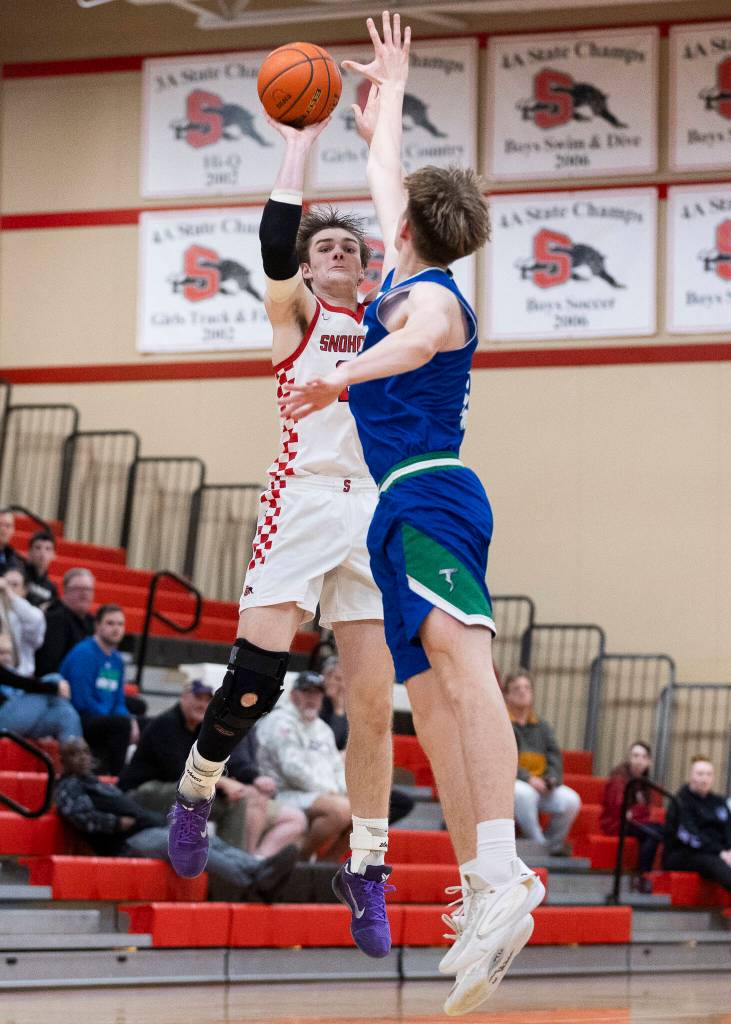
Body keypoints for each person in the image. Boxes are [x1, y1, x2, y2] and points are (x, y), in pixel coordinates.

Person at [281, 13, 545, 1013]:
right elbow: (386, 167)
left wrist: (342, 376)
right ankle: (482, 884)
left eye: (390, 212)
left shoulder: (428, 298)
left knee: (464, 670)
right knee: (425, 695)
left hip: (434, 487)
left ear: (401, 237)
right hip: (392, 512)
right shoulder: (403, 261)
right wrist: (386, 92)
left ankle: (506, 865)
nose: (380, 211)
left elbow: (418, 341)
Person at [167, 71, 397, 961]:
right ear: (308, 266)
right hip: (299, 504)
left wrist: (382, 144)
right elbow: (272, 245)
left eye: (352, 245)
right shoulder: (293, 315)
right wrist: (299, 142)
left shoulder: (390, 323)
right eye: (325, 245)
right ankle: (196, 787)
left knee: (372, 709)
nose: (339, 251)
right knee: (257, 682)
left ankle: (367, 873)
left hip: (370, 515)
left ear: (369, 265)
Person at [55, 738, 299, 901]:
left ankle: (255, 866)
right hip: (125, 842)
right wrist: (118, 824)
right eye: (75, 754)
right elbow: (82, 817)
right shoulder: (68, 787)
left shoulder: (94, 782)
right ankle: (249, 879)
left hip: (145, 829)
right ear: (62, 760)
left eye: (85, 751)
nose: (83, 757)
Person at [120, 679, 306, 857]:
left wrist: (238, 783)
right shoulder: (166, 723)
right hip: (139, 793)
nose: (202, 704)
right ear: (184, 697)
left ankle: (237, 861)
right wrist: (222, 782)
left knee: (237, 801)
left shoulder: (202, 728)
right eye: (197, 698)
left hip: (175, 789)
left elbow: (224, 762)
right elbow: (177, 771)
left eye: (207, 700)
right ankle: (237, 861)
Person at [255, 671, 352, 861]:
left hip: (317, 794)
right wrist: (331, 792)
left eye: (317, 694)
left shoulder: (323, 729)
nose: (312, 698)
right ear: (293, 695)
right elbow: (292, 770)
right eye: (307, 692)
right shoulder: (279, 722)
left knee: (365, 816)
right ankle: (301, 860)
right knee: (340, 810)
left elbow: (337, 766)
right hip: (281, 793)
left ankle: (325, 866)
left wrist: (341, 790)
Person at [503, 670, 581, 857]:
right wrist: (528, 778)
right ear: (506, 694)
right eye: (517, 688)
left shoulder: (542, 725)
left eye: (527, 688)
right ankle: (538, 844)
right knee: (525, 794)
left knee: (571, 800)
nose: (523, 692)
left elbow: (554, 756)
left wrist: (551, 780)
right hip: (510, 783)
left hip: (541, 783)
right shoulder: (501, 722)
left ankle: (552, 844)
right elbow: (502, 761)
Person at [60, 604, 138, 775]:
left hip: (102, 716)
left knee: (141, 721)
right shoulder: (84, 653)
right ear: (97, 626)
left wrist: (130, 719)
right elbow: (82, 700)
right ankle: (118, 779)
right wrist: (117, 718)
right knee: (120, 725)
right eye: (110, 623)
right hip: (81, 717)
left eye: (120, 624)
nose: (116, 629)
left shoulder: (117, 659)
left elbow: (119, 700)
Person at [600, 741, 664, 892]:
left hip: (634, 823)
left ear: (649, 762)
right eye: (635, 755)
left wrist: (635, 811)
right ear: (629, 758)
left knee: (661, 830)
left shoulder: (644, 781)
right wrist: (636, 811)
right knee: (654, 833)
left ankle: (646, 875)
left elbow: (643, 812)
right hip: (615, 823)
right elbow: (620, 811)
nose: (639, 760)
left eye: (643, 757)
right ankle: (642, 876)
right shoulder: (619, 777)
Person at [663, 756, 731, 892]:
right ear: (691, 776)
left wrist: (729, 850)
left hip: (717, 852)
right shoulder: (680, 801)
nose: (704, 778)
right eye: (700, 774)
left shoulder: (718, 801)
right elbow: (689, 836)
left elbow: (728, 828)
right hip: (684, 853)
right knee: (715, 863)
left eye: (708, 774)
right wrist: (720, 852)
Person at [0, 632, 82, 742]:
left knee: (65, 715)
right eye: (0, 652)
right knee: (54, 679)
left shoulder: (11, 670)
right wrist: (54, 688)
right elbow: (21, 683)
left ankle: (76, 755)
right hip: (3, 721)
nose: (4, 657)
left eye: (6, 653)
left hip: (17, 718)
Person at [34, 567, 95, 677]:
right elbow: (49, 667)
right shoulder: (55, 618)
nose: (85, 594)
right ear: (65, 590)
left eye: (89, 589)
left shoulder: (92, 621)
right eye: (79, 589)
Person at [0, 568, 46, 676]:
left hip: (23, 678)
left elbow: (35, 621)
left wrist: (9, 593)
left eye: (15, 585)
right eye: (6, 584)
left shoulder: (33, 613)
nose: (8, 588)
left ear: (24, 590)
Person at [319, 655, 349, 751]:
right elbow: (329, 743)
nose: (343, 685)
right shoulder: (315, 701)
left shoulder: (350, 706)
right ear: (325, 678)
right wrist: (338, 710)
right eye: (338, 679)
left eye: (346, 680)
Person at [24, 530, 59, 609]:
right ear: (29, 552)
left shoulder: (52, 588)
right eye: (38, 548)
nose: (42, 553)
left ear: (53, 555)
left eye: (48, 549)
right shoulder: (20, 576)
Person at [0, 508, 26, 576]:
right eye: (0, 524)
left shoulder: (18, 561)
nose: (3, 529)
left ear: (13, 530)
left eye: (8, 526)